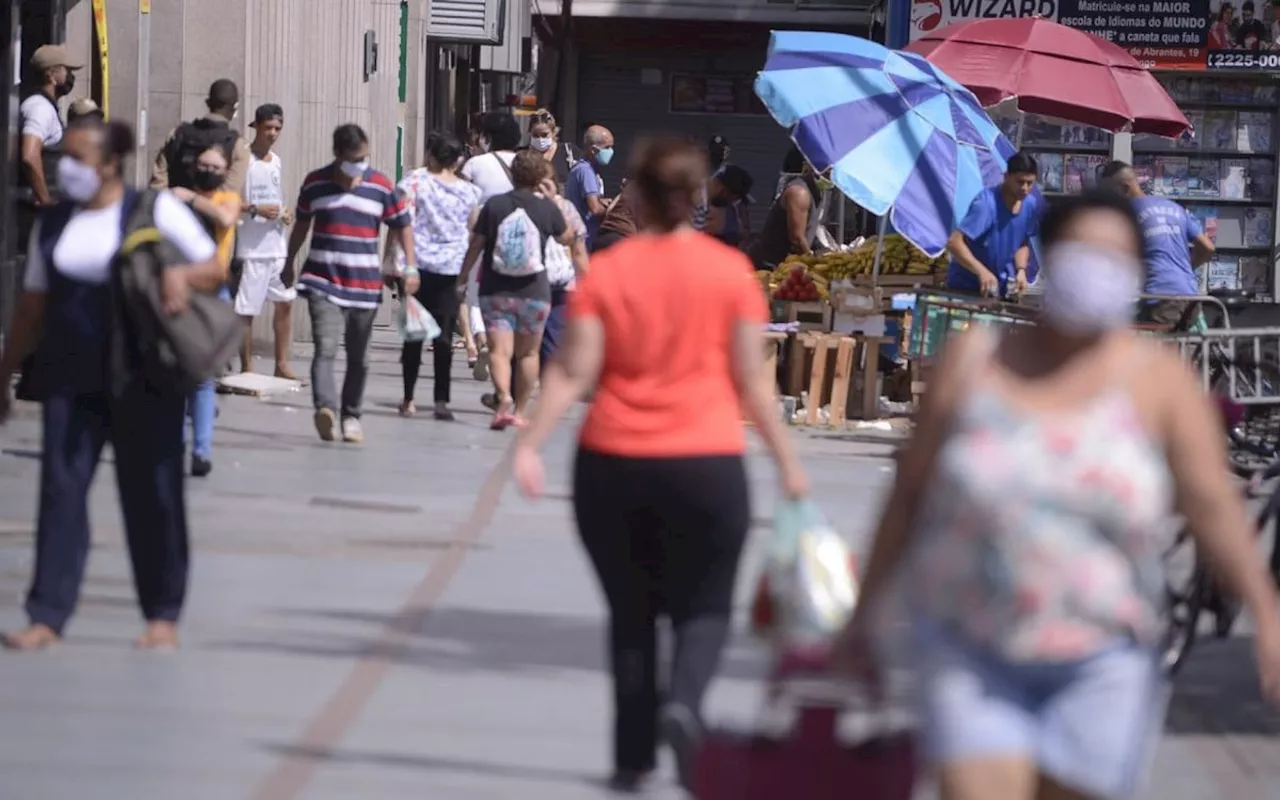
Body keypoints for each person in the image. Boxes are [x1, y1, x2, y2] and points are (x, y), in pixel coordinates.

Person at [834, 188, 1280, 800]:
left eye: (1114, 258)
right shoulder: (974, 363)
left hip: (1104, 659)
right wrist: (863, 617)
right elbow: (909, 494)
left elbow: (1212, 505)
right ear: (1048, 254)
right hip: (971, 648)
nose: (1096, 269)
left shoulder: (1158, 382)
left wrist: (1266, 612)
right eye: (1082, 252)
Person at [510, 136, 808, 792]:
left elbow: (574, 369)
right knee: (705, 606)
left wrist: (529, 443)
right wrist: (789, 464)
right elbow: (754, 383)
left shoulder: (611, 272)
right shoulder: (729, 273)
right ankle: (685, 704)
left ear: (636, 195)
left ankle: (632, 756)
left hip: (612, 462)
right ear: (696, 198)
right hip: (707, 463)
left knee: (632, 611)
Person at [0, 117, 224, 651]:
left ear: (108, 164)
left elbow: (212, 268)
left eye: (76, 158)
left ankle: (162, 613)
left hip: (143, 373)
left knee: (152, 493)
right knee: (60, 491)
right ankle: (47, 614)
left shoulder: (153, 209)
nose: (65, 167)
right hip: (69, 372)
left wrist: (179, 275)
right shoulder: (53, 223)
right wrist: (4, 370)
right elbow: (33, 306)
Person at [285, 124, 417, 444]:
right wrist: (288, 261)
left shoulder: (381, 186)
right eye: (354, 159)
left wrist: (410, 268)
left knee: (360, 357)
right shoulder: (315, 183)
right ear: (338, 155)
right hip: (322, 280)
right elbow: (302, 225)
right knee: (326, 348)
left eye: (364, 158)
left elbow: (403, 225)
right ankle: (326, 409)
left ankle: (351, 415)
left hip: (364, 284)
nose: (360, 164)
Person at [457, 151, 572, 430]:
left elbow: (476, 244)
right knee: (528, 354)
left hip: (496, 289)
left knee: (499, 351)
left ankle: (503, 396)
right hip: (535, 291)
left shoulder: (495, 205)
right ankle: (520, 411)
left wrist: (462, 278)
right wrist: (553, 198)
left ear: (512, 175)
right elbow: (566, 236)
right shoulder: (546, 208)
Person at [394, 132, 482, 421]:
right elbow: (473, 231)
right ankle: (441, 401)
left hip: (416, 267)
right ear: (458, 161)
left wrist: (394, 262)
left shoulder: (414, 182)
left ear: (431, 155)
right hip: (451, 270)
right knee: (444, 338)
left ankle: (408, 398)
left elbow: (401, 222)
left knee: (414, 336)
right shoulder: (470, 192)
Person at [169, 142, 240, 477]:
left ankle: (201, 449)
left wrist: (191, 198)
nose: (209, 171)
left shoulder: (227, 199)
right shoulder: (172, 200)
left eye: (216, 167)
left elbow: (225, 218)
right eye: (204, 165)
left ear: (225, 172)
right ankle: (181, 442)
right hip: (178, 289)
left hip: (215, 291)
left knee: (202, 376)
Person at [1100, 160, 1215, 328]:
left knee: (1147, 348)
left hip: (1160, 297)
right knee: (1183, 349)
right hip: (1190, 296)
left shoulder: (1127, 214)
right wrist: (1187, 268)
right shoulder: (1174, 208)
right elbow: (1207, 247)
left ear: (1124, 189)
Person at [234, 104, 298, 379]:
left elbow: (277, 196)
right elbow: (228, 199)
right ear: (256, 126)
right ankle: (247, 366)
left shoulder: (277, 161)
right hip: (251, 248)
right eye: (268, 127)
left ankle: (281, 364)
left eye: (277, 128)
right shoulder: (242, 159)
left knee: (285, 302)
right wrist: (255, 210)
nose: (273, 133)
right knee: (246, 309)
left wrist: (284, 212)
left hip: (276, 245)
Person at [459, 110, 523, 381]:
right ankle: (506, 348)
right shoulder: (526, 162)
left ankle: (483, 341)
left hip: (482, 234)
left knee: (474, 293)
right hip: (520, 237)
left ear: (487, 138)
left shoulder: (474, 164)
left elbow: (463, 202)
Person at [946, 150, 1043, 299]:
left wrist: (1021, 270)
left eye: (1029, 183)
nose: (1024, 188)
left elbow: (1022, 242)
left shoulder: (1029, 205)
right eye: (1020, 182)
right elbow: (954, 242)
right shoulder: (986, 204)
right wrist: (981, 271)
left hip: (999, 290)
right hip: (966, 289)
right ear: (1006, 177)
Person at [17, 45, 81, 239]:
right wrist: (45, 202)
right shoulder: (40, 108)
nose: (70, 77)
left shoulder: (47, 107)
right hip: (33, 215)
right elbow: (29, 155)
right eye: (67, 71)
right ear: (51, 75)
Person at [151, 79, 251, 194]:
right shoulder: (238, 145)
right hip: (213, 210)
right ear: (235, 108)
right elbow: (229, 192)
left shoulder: (177, 134)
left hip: (174, 207)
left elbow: (158, 181)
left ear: (207, 103)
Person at [748, 146, 824, 271]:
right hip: (768, 266)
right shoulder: (799, 192)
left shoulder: (818, 193)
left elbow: (809, 229)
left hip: (786, 264)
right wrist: (814, 264)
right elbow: (797, 239)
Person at [565, 124, 616, 249]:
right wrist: (616, 206)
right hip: (586, 240)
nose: (611, 152)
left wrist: (601, 201)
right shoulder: (586, 171)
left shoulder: (583, 169)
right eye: (607, 147)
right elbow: (595, 209)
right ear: (594, 150)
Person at [703, 164, 754, 250]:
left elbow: (743, 233)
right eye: (734, 198)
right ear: (724, 192)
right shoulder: (692, 199)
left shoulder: (728, 207)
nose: (733, 202)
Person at [525, 108, 578, 185]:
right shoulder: (523, 155)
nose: (540, 139)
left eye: (544, 135)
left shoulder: (569, 152)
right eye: (535, 135)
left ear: (553, 132)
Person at [590, 177, 639, 254]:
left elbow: (609, 210)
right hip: (623, 242)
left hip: (603, 237)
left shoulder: (627, 189)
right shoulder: (649, 195)